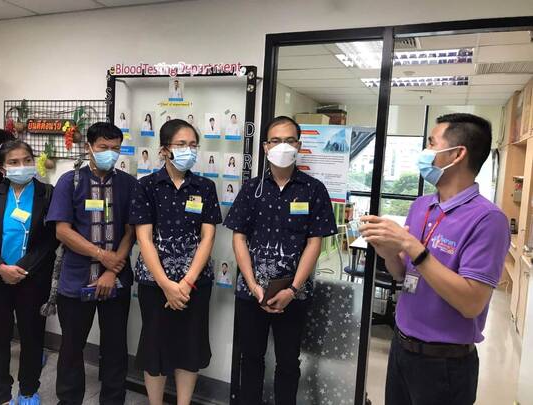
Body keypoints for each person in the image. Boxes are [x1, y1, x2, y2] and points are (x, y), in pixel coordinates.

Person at [359, 113, 510, 405]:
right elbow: (403, 274)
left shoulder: (488, 219)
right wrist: (389, 252)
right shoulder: (421, 206)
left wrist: (411, 245)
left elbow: (471, 303)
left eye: (431, 143)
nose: (425, 151)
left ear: (457, 154)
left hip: (445, 364)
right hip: (402, 348)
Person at [223, 116, 337, 405]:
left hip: (293, 294)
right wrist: (252, 285)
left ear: (298, 146)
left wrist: (293, 289)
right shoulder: (252, 189)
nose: (282, 146)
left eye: (289, 140)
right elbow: (238, 238)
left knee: (288, 362)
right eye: (275, 141)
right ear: (265, 147)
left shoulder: (313, 189)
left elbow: (314, 243)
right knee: (250, 358)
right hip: (252, 293)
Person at [130, 119, 222, 405]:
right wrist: (167, 285)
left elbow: (208, 237)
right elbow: (144, 239)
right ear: (164, 150)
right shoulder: (146, 186)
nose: (188, 150)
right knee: (155, 349)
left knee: (189, 348)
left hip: (195, 284)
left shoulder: (205, 187)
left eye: (193, 145)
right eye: (181, 144)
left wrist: (186, 283)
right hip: (155, 283)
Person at [46, 122, 137, 405]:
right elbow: (62, 231)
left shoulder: (128, 184)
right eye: (103, 147)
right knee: (72, 348)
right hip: (76, 281)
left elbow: (131, 231)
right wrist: (101, 255)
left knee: (115, 348)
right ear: (89, 148)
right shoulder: (70, 181)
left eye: (115, 148)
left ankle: (113, 400)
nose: (110, 153)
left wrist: (111, 269)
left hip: (116, 280)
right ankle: (69, 400)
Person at [0, 140, 58, 405]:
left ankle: (28, 390)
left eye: (27, 160)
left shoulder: (48, 193)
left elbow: (51, 238)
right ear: (2, 168)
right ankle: (0, 391)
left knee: (32, 336)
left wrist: (23, 268)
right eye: (14, 162)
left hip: (33, 278)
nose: (22, 166)